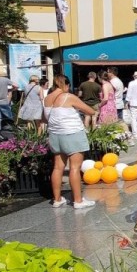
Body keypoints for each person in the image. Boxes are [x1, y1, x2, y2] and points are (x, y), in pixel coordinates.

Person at [42, 73, 96, 210]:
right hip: (72, 134)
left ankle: (57, 199)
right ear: (66, 85)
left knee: (57, 167)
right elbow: (90, 111)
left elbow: (45, 117)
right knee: (75, 168)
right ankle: (78, 201)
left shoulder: (47, 98)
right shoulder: (69, 97)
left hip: (55, 135)